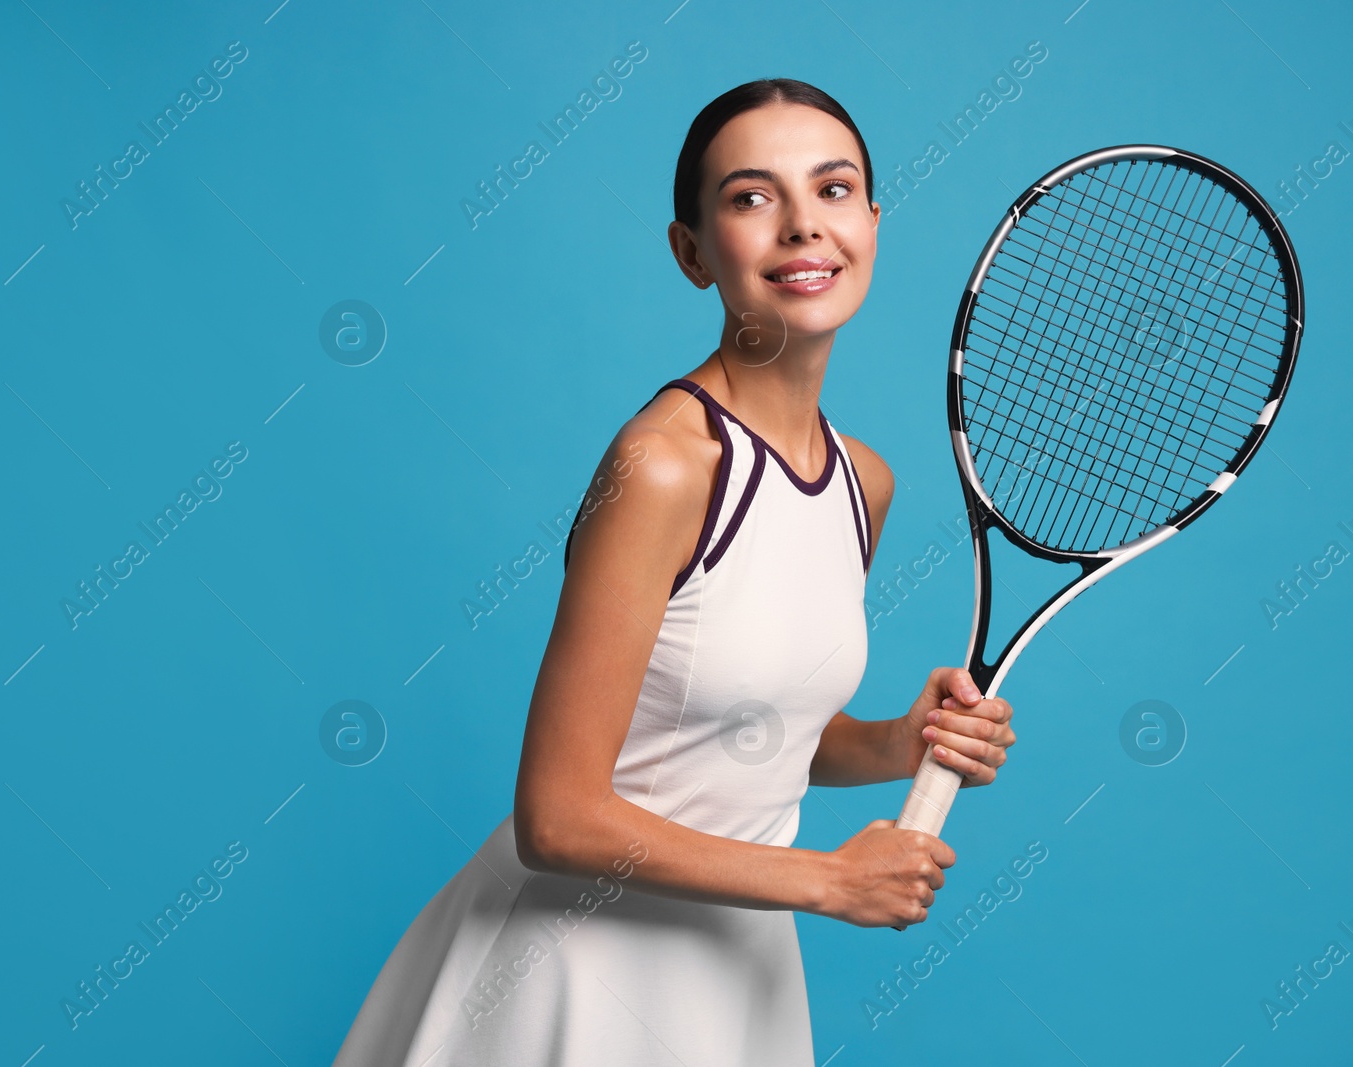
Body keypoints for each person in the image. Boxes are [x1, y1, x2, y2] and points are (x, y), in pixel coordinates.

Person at [331, 77, 1018, 1067]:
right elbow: (556, 816)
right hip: (568, 974)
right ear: (692, 251)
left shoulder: (862, 481)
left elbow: (746, 732)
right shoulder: (661, 465)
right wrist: (826, 879)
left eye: (832, 190)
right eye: (749, 198)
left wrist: (897, 741)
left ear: (871, 222)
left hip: (734, 975)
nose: (799, 228)